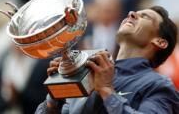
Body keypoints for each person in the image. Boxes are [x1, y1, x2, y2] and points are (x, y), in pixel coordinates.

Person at [35, 6, 179, 114]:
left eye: (145, 16)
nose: (131, 14)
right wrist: (54, 100)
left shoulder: (158, 85)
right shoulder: (87, 73)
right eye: (134, 12)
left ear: (160, 42)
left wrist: (106, 90)